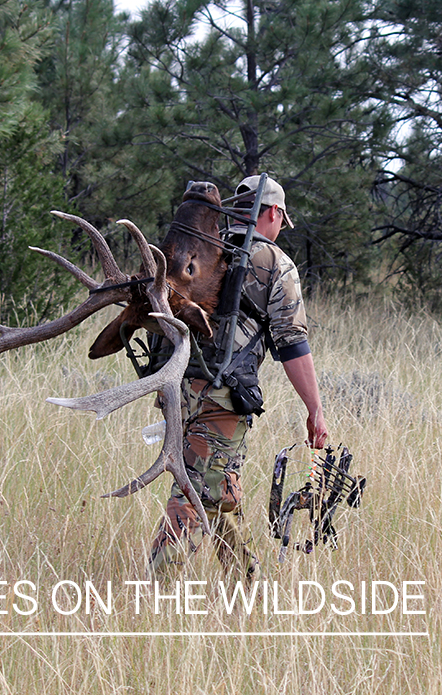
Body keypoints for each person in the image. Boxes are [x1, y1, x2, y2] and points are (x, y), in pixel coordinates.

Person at [147, 174, 329, 581]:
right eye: (281, 218)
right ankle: (153, 590)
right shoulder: (273, 262)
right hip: (222, 396)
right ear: (273, 212)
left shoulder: (205, 250)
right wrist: (315, 409)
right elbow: (292, 343)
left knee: (220, 487)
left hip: (176, 389)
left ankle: (248, 586)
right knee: (196, 492)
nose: (280, 226)